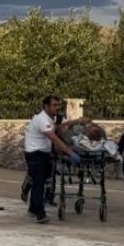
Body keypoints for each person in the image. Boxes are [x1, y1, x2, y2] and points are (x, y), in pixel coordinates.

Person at [24, 95, 82, 224]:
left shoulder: (50, 119)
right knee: (39, 182)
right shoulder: (42, 120)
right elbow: (54, 138)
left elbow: (58, 128)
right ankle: (40, 214)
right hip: (34, 153)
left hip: (43, 153)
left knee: (41, 181)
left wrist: (77, 121)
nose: (57, 107)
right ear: (46, 106)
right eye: (54, 105)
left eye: (58, 105)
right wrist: (70, 152)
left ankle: (33, 208)